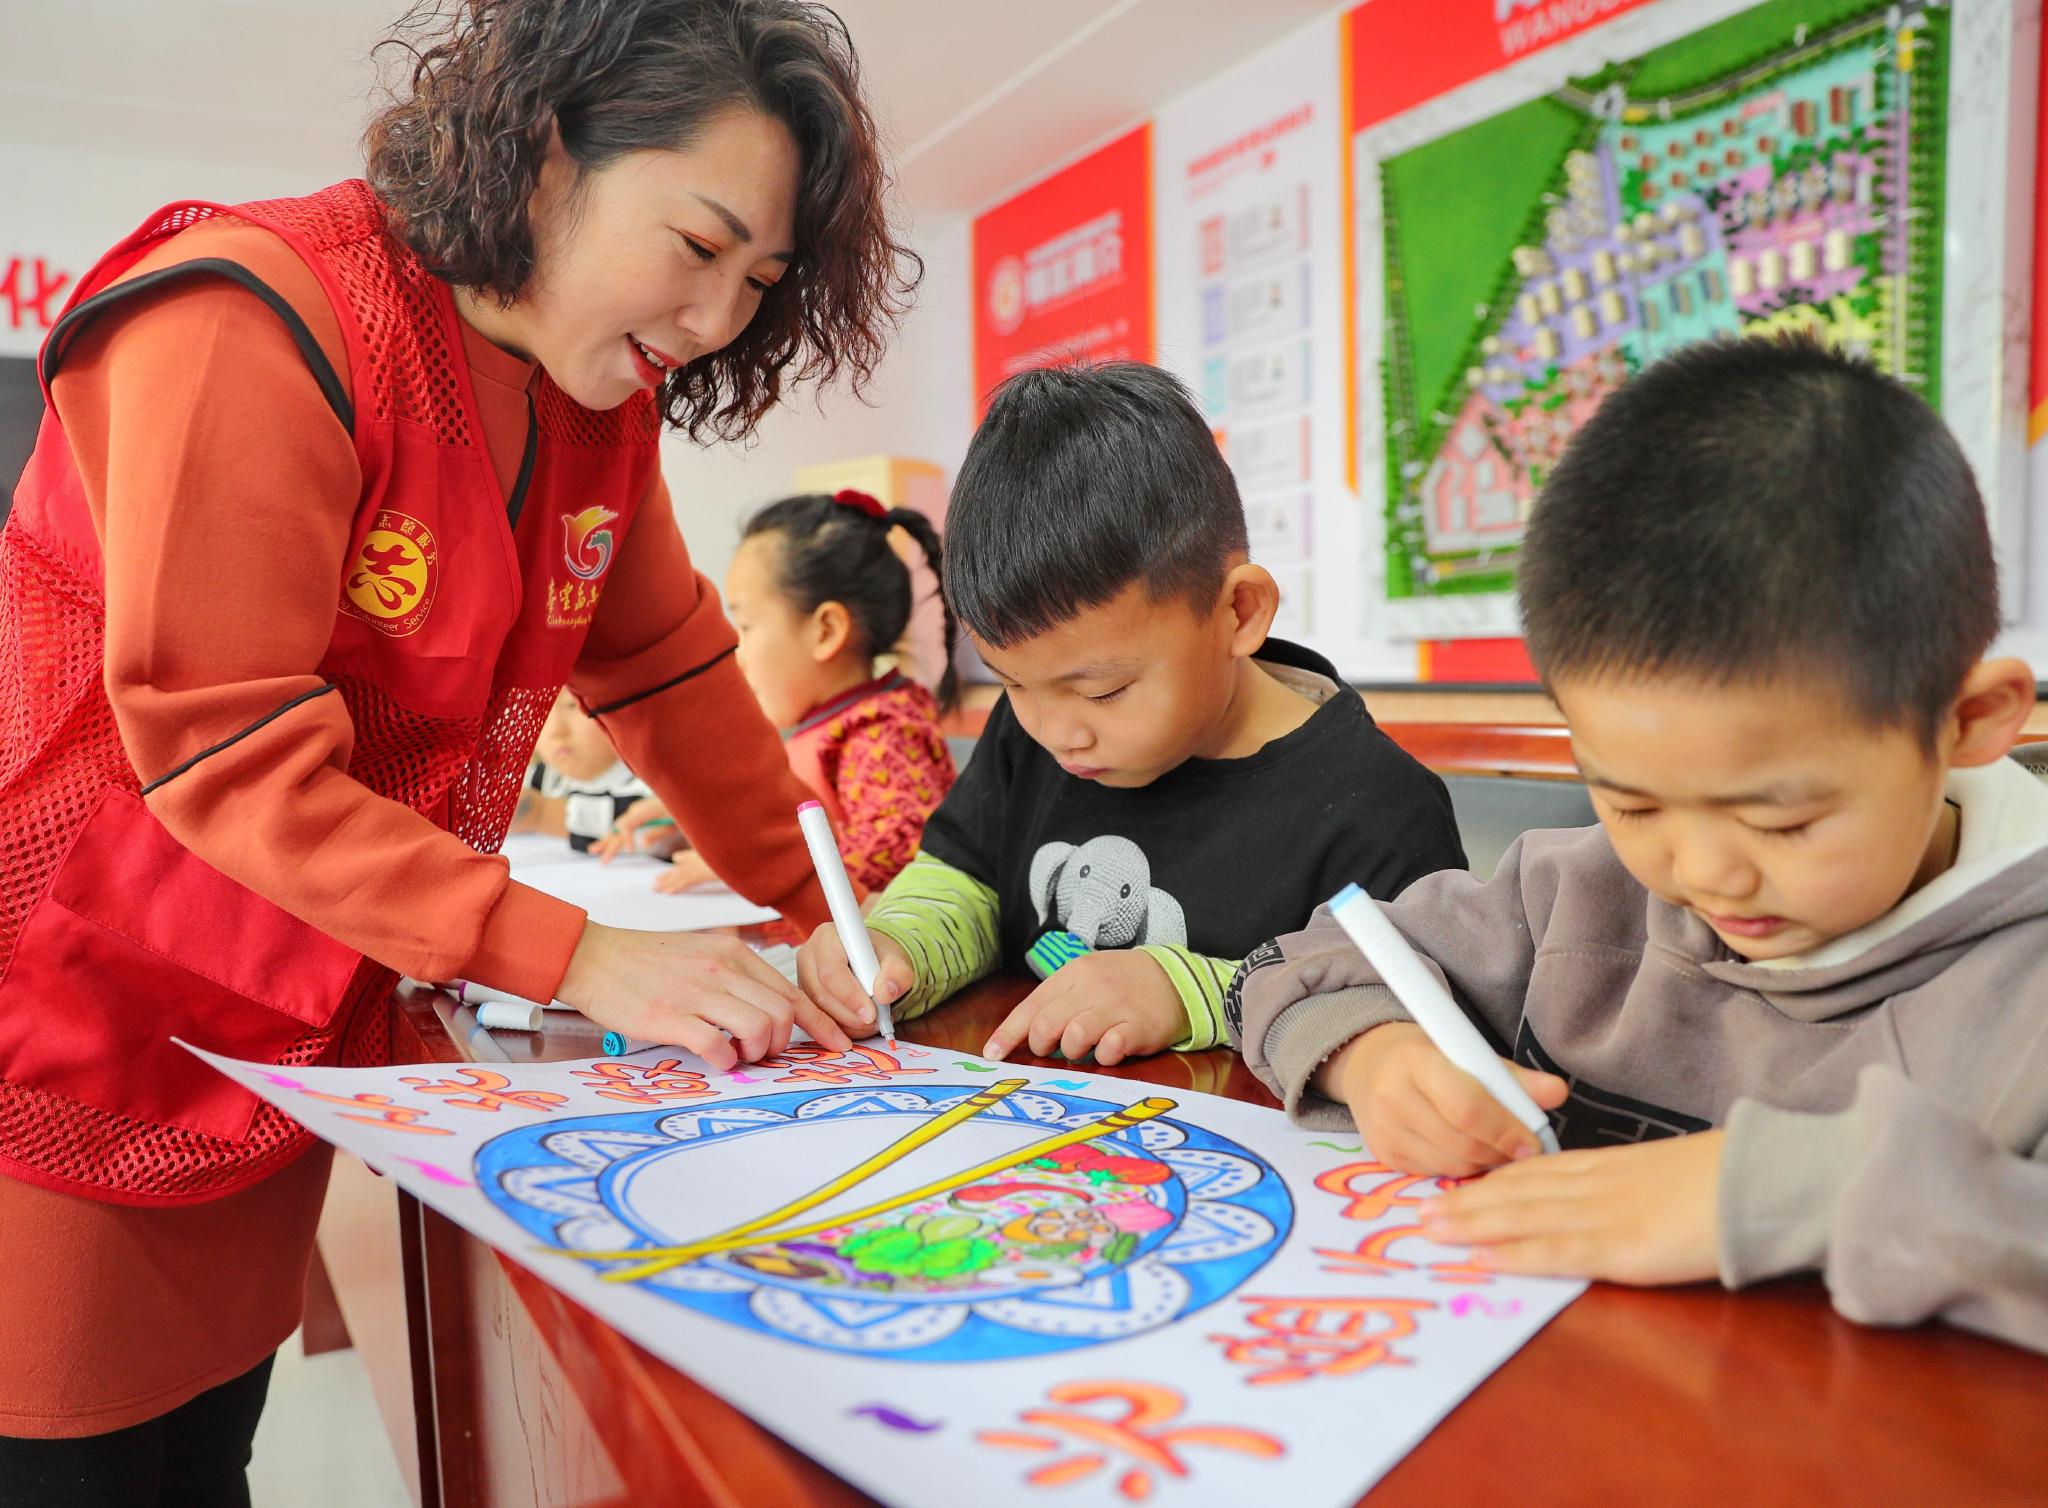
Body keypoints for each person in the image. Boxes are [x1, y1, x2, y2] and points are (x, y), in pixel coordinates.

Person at [0, 0, 915, 1495]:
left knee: (195, 1459)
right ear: (546, 160)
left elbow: (670, 666)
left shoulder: (596, 400)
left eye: (759, 281)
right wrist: (578, 956)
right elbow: (227, 744)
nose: (715, 322)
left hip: (280, 1026)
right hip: (74, 1021)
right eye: (696, 248)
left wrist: (826, 910)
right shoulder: (253, 315)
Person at [1227, 336, 2048, 1353]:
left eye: (1781, 819)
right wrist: (1372, 1054)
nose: (1700, 873)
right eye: (1632, 802)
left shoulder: (2023, 990)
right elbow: (1292, 965)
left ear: (1966, 721)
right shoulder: (1568, 895)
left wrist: (1801, 1187)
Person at [799, 362, 1466, 1064]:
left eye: (1103, 692)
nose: (1059, 733)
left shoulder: (1379, 807)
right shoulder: (1035, 729)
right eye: (1012, 685)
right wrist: (897, 949)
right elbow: (967, 881)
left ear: (1238, 612)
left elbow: (1415, 1009)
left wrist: (1193, 993)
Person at [612, 487, 957, 892]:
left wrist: (753, 862)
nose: (733, 648)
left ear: (825, 631)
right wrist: (701, 824)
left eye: (746, 626)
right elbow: (786, 825)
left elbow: (899, 850)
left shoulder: (882, 732)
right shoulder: (826, 727)